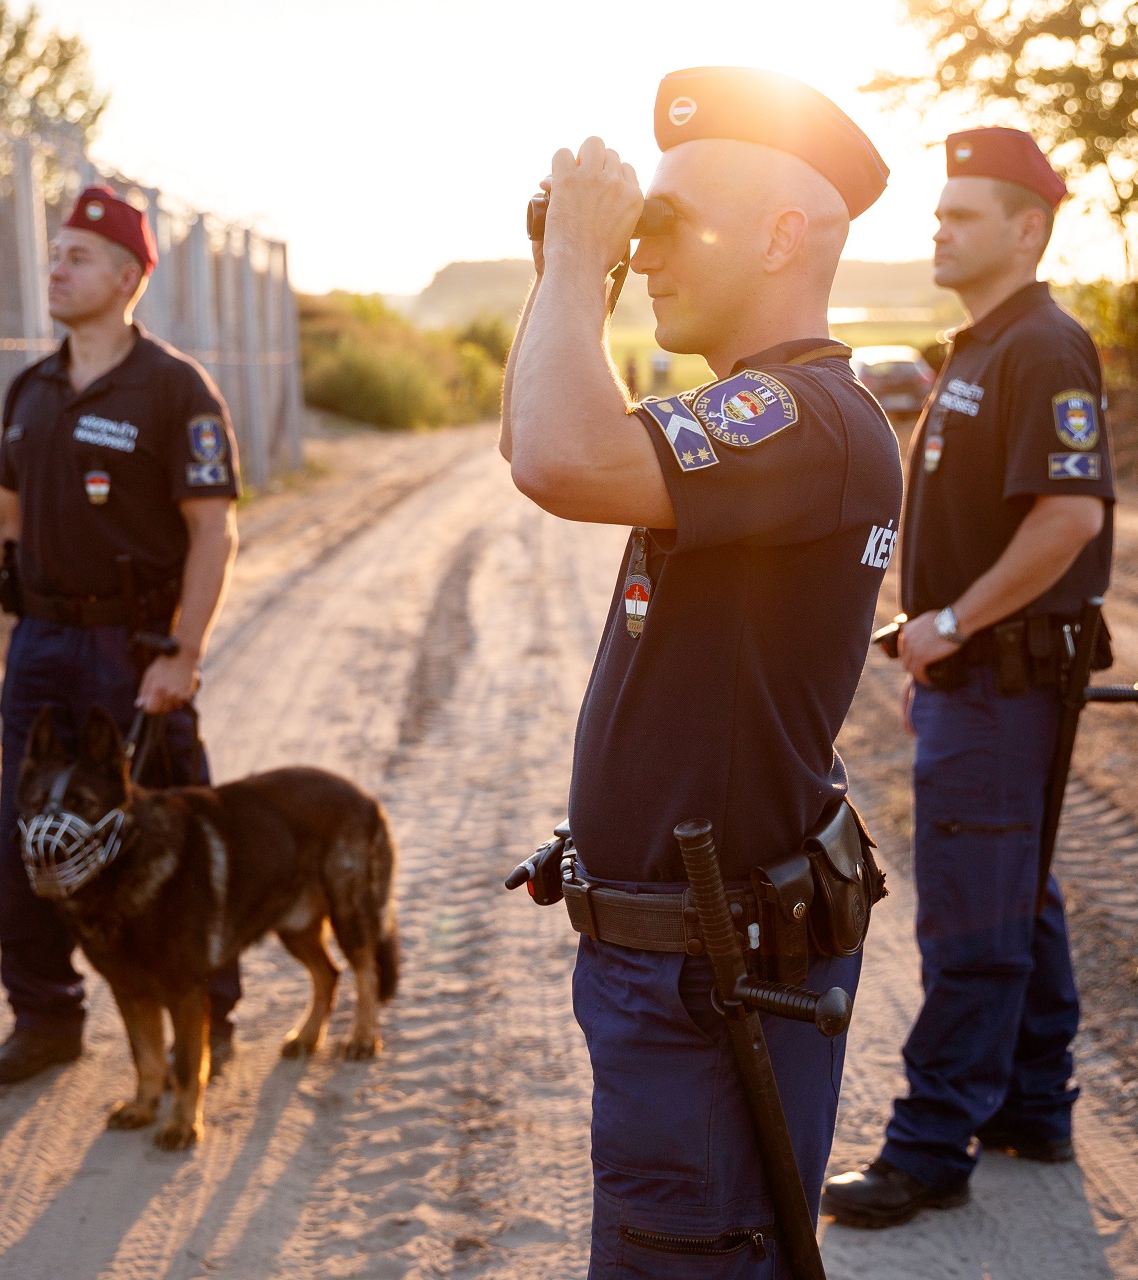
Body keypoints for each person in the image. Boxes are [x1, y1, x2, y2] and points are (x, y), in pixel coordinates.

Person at [500, 68, 901, 1276]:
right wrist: (566, 269)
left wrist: (580, 257)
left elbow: (560, 456)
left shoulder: (805, 416)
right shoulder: (758, 412)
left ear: (785, 234)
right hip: (673, 972)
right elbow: (536, 431)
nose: (645, 250)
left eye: (669, 224)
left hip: (708, 980)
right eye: (639, 225)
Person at [821, 128, 1115, 1227]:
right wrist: (937, 642)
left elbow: (1069, 515)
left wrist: (948, 622)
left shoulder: (1041, 346)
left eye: (961, 216)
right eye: (937, 214)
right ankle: (1034, 1105)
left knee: (972, 920)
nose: (937, 229)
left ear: (1027, 230)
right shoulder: (984, 346)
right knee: (1017, 888)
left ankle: (930, 1145)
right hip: (976, 676)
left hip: (1001, 679)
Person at [0, 185, 246, 1085]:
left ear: (128, 276)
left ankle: (207, 1014)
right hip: (40, 648)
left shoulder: (176, 390)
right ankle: (44, 1017)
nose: (55, 269)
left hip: (134, 651)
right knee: (28, 833)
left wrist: (184, 651)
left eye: (76, 256)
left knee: (172, 828)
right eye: (53, 253)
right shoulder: (32, 391)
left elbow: (213, 529)